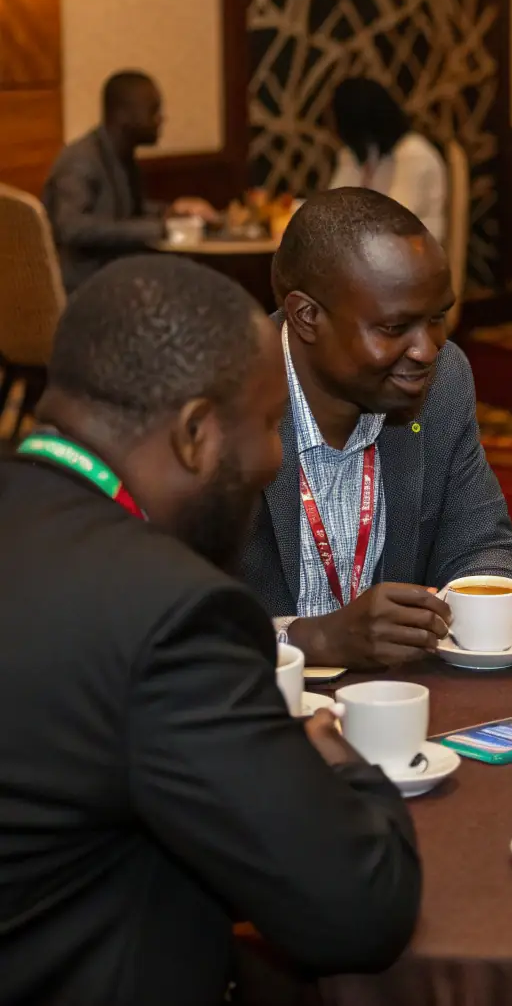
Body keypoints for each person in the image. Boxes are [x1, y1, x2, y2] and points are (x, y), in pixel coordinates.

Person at [0, 256, 420, 1006]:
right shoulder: (170, 615)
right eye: (264, 425)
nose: (272, 458)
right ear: (196, 433)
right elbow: (359, 911)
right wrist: (332, 753)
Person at [240, 187, 512, 667]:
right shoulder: (223, 398)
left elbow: (487, 549)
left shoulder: (443, 382)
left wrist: (467, 605)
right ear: (306, 316)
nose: (427, 349)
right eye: (394, 328)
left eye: (438, 318)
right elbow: (162, 615)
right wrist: (306, 641)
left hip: (401, 706)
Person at [42, 69, 217, 292]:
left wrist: (171, 211)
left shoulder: (121, 155)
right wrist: (160, 228)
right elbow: (72, 227)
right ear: (123, 114)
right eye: (153, 110)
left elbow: (125, 213)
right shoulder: (81, 160)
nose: (161, 118)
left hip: (116, 278)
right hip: (82, 288)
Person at [328, 76, 448, 241]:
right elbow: (331, 208)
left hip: (416, 256)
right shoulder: (366, 152)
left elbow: (394, 224)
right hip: (376, 253)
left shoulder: (413, 155)